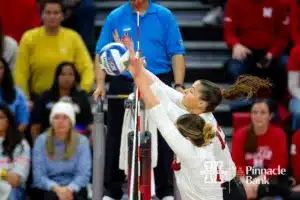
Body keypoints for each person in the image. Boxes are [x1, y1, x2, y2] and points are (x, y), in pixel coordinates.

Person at [121, 35, 274, 199]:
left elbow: (159, 106)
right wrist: (134, 63)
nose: (185, 91)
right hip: (222, 187)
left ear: (201, 103)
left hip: (222, 192)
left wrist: (137, 72)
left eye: (192, 90)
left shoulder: (196, 126)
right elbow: (162, 89)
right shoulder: (198, 114)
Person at [93, 0, 185, 199]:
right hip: (124, 80)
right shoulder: (115, 16)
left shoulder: (164, 16)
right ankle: (113, 190)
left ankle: (165, 189)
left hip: (157, 80)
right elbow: (101, 53)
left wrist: (178, 84)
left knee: (164, 133)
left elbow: (177, 53)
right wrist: (100, 84)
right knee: (116, 132)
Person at [14, 0, 94, 108]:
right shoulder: (28, 38)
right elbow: (21, 72)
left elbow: (87, 68)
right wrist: (24, 99)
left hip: (68, 100)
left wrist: (83, 92)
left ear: (62, 16)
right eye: (48, 12)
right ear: (41, 15)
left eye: (56, 13)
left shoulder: (73, 37)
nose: (52, 16)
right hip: (38, 100)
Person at [31, 100, 91, 200]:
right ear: (51, 121)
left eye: (65, 117)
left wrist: (69, 189)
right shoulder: (41, 141)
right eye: (56, 117)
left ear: (71, 121)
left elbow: (83, 175)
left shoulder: (82, 141)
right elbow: (39, 176)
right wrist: (57, 189)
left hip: (73, 188)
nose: (60, 121)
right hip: (47, 188)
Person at [232, 99, 289, 199]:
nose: (258, 116)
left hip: (270, 177)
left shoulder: (279, 134)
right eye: (255, 112)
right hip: (247, 177)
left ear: (270, 116)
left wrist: (259, 181)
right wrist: (246, 184)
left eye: (263, 112)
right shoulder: (240, 135)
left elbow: (279, 163)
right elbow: (237, 164)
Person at [30, 62, 93, 141]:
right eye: (63, 74)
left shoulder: (81, 97)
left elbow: (89, 123)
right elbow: (35, 126)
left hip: (77, 140)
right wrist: (37, 145)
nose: (67, 78)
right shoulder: (45, 97)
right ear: (57, 77)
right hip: (48, 140)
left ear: (75, 77)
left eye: (71, 74)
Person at [0, 104, 31, 200]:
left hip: (12, 189)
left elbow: (16, 180)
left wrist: (1, 173)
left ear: (8, 120)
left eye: (0, 117)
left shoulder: (21, 144)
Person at [0, 58, 29, 133]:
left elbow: (23, 123)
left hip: (11, 139)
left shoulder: (17, 93)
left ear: (5, 71)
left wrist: (11, 138)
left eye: (0, 68)